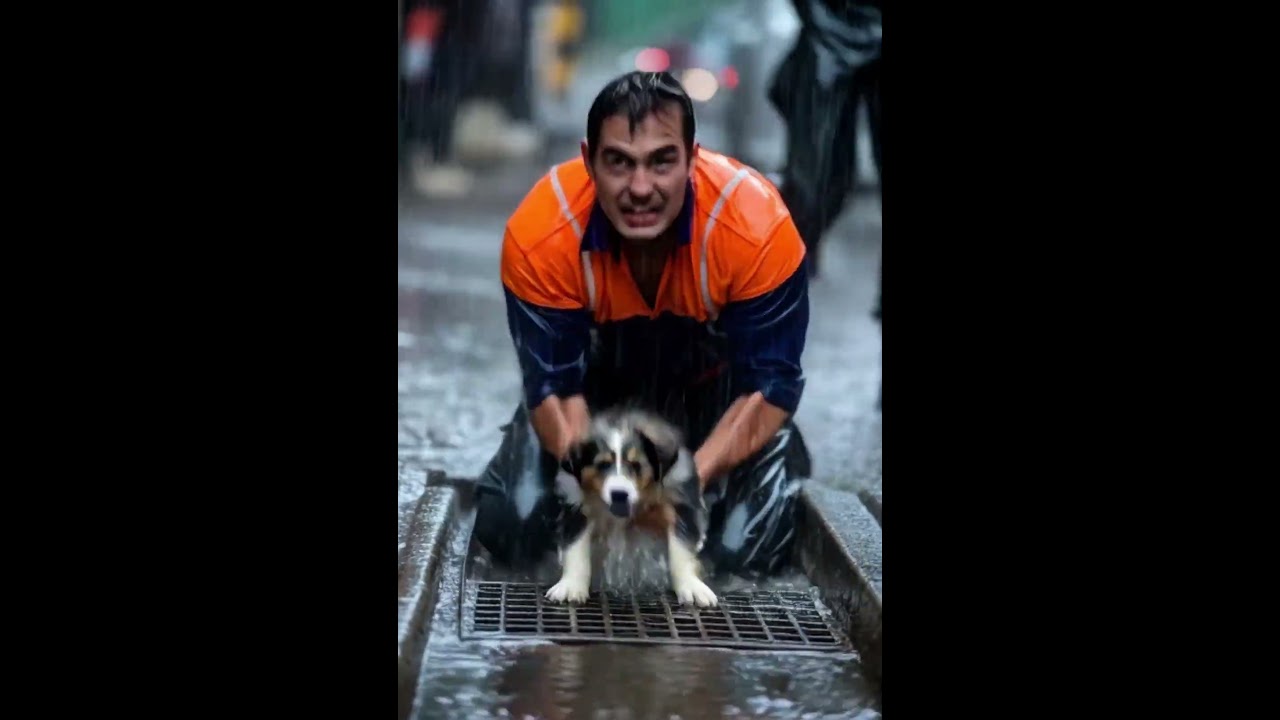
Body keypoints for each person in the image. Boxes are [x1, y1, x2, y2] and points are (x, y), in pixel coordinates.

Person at [475, 71, 813, 577]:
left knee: (738, 558)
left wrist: (680, 485)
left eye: (661, 162)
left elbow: (768, 386)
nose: (640, 189)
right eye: (619, 162)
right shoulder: (541, 233)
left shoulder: (756, 226)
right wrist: (599, 488)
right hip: (594, 401)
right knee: (517, 532)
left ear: (692, 159)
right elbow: (552, 389)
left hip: (714, 398)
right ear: (589, 160)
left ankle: (773, 460)